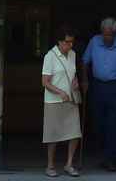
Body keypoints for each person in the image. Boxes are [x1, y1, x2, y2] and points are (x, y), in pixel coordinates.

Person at [80, 16, 116, 171]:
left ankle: (112, 159)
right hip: (98, 87)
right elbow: (85, 61)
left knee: (114, 123)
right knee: (99, 123)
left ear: (115, 33)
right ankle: (106, 155)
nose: (107, 38)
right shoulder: (94, 41)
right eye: (104, 34)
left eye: (110, 35)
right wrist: (85, 80)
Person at [42, 24, 83, 178]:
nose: (69, 45)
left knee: (74, 133)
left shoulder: (72, 54)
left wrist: (76, 82)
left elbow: (72, 73)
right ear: (59, 41)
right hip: (54, 101)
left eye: (72, 42)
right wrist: (60, 92)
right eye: (67, 42)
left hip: (71, 100)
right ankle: (50, 165)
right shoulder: (50, 57)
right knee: (53, 135)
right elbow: (45, 82)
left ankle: (69, 164)